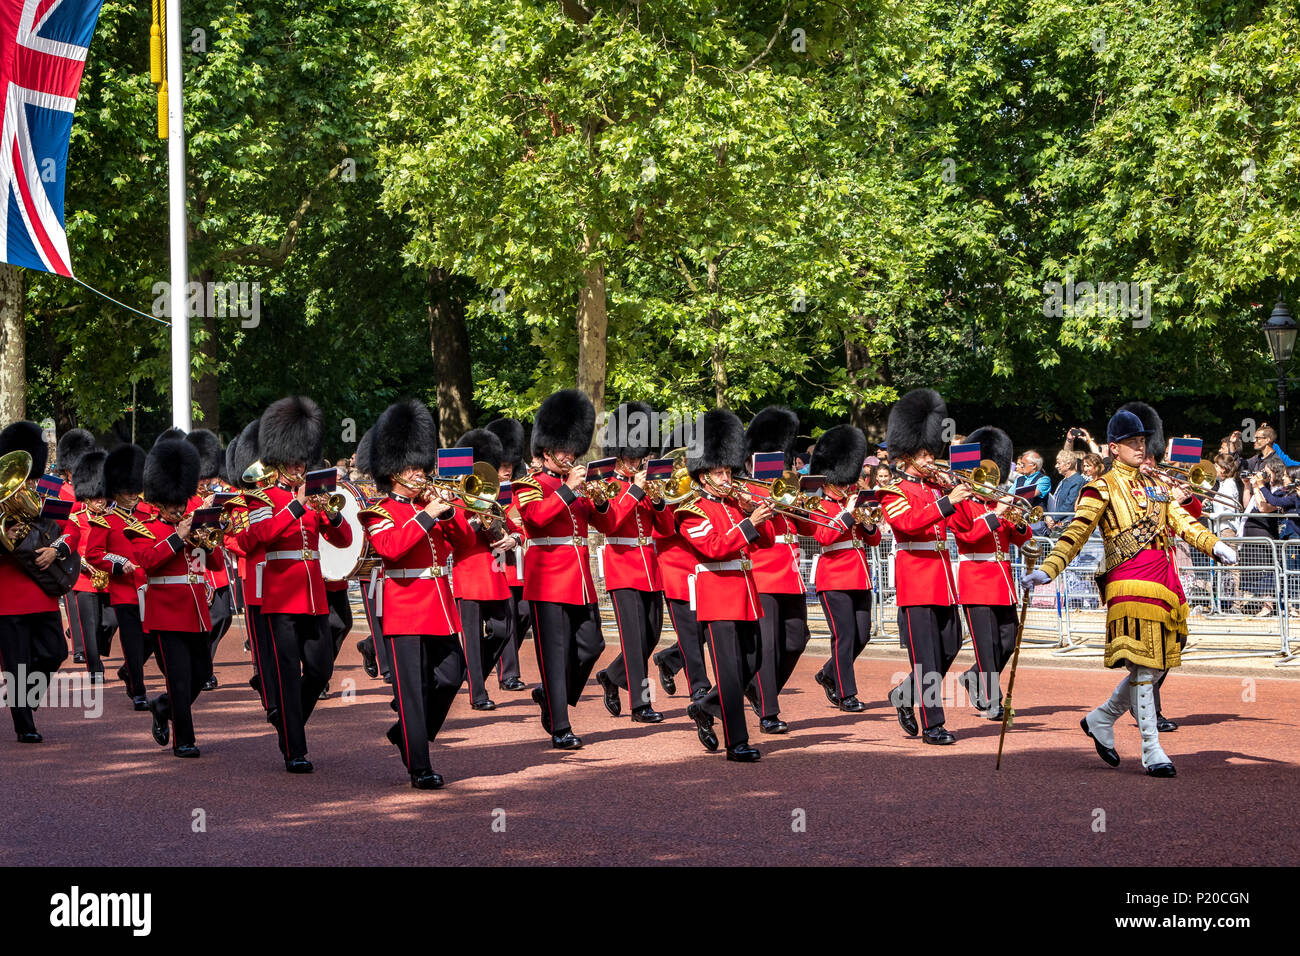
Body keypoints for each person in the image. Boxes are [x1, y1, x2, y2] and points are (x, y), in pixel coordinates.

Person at [1023, 406, 1237, 777]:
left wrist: (1213, 544)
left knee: (1157, 664)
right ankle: (1151, 748)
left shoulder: (1156, 485)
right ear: (1113, 448)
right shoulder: (1101, 486)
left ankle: (1101, 718)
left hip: (1164, 581)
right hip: (1127, 579)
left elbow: (1182, 521)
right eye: (1131, 442)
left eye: (1141, 441)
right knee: (1144, 661)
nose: (1139, 447)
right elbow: (1076, 532)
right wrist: (1048, 567)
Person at [357, 399, 467, 789]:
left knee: (454, 673)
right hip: (405, 604)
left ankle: (407, 733)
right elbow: (392, 548)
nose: (419, 473)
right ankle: (419, 764)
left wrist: (450, 514)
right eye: (411, 468)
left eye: (421, 465)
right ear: (393, 472)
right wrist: (428, 515)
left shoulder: (431, 506)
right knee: (413, 690)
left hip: (439, 603)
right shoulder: (379, 511)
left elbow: (462, 542)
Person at [243, 396, 353, 773]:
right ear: (278, 461)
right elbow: (257, 538)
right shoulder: (262, 496)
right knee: (288, 674)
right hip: (281, 595)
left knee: (320, 670)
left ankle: (288, 724)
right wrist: (296, 506)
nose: (298, 466)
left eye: (302, 460)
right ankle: (295, 748)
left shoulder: (314, 497)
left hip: (314, 597)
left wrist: (332, 514)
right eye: (292, 461)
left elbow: (344, 541)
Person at [514, 389, 617, 749]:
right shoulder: (527, 485)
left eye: (573, 450)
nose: (570, 456)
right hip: (547, 579)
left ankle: (552, 696)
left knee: (592, 645)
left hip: (581, 581)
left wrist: (601, 501)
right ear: (544, 451)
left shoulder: (579, 484)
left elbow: (607, 526)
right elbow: (537, 520)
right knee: (554, 654)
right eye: (563, 450)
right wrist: (569, 490)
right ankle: (560, 725)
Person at [678, 409, 774, 762]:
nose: (727, 477)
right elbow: (714, 547)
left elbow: (766, 544)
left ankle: (705, 706)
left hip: (746, 594)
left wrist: (760, 514)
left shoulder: (737, 504)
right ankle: (737, 742)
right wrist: (749, 522)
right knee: (730, 672)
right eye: (720, 471)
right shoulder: (692, 510)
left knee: (752, 663)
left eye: (729, 470)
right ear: (703, 475)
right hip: (717, 595)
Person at [877, 388, 970, 746]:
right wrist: (947, 500)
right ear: (906, 457)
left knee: (951, 645)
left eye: (932, 452)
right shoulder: (894, 491)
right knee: (927, 658)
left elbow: (961, 526)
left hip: (944, 579)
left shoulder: (938, 488)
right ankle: (933, 725)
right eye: (923, 453)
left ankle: (903, 693)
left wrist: (958, 495)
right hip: (916, 580)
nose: (930, 459)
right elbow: (908, 524)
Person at [133, 439, 225, 758]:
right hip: (166, 614)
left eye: (181, 502)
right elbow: (146, 561)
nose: (178, 508)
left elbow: (212, 565)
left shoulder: (193, 527)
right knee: (180, 678)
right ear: (159, 502)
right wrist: (178, 537)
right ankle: (184, 740)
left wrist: (209, 541)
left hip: (197, 611)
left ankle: (162, 706)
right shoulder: (144, 528)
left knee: (201, 673)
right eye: (172, 504)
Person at [595, 402, 674, 724]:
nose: (634, 462)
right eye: (629, 457)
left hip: (650, 568)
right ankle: (641, 705)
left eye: (637, 457)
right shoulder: (604, 484)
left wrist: (657, 499)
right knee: (633, 638)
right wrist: (635, 490)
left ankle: (612, 676)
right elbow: (610, 523)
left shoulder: (647, 482)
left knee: (652, 635)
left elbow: (667, 529)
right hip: (623, 566)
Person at [0, 421, 78, 744]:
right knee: (16, 663)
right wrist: (6, 536)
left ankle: (25, 700)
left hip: (43, 588)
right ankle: (24, 724)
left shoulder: (49, 488)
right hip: (8, 592)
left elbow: (73, 526)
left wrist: (56, 549)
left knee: (55, 651)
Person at [951, 426, 1034, 720]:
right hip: (975, 577)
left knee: (1008, 641)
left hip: (1002, 579)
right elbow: (968, 536)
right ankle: (992, 699)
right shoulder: (961, 504)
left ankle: (973, 678)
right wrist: (995, 514)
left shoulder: (993, 503)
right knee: (987, 646)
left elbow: (1020, 538)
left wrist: (1020, 520)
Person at [739, 406, 812, 733]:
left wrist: (797, 508)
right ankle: (768, 711)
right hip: (763, 571)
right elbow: (747, 532)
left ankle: (760, 689)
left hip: (791, 573)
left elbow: (810, 532)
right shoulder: (745, 489)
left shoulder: (788, 484)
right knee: (766, 645)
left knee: (796, 640)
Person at [808, 424, 881, 713]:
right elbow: (824, 536)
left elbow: (873, 540)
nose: (844, 485)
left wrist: (867, 520)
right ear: (827, 480)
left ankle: (828, 672)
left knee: (862, 635)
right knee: (845, 636)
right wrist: (849, 513)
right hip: (834, 576)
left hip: (860, 576)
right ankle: (846, 693)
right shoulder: (817, 504)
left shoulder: (853, 500)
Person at [446, 426, 516, 712]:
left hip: (495, 572)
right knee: (472, 638)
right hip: (468, 572)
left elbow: (508, 527)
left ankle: (472, 675)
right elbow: (453, 539)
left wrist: (514, 537)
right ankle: (478, 691)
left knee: (502, 630)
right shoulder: (453, 500)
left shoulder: (489, 497)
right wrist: (474, 519)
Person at [86, 443, 153, 711]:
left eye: (135, 490)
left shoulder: (149, 515)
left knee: (151, 639)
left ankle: (128, 670)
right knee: (133, 642)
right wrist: (117, 563)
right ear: (116, 491)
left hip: (150, 588)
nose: (133, 496)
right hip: (125, 591)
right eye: (128, 491)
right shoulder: (105, 520)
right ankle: (139, 690)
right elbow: (93, 554)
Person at [485, 417, 530, 693]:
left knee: (523, 614)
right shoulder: (485, 492)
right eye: (501, 466)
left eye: (509, 466)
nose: (506, 470)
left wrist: (515, 538)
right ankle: (508, 674)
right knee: (508, 618)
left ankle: (488, 660)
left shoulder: (519, 490)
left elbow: (527, 525)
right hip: (495, 564)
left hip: (518, 563)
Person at [1053, 449, 1086, 516]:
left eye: (1059, 463)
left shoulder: (1078, 481)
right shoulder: (1065, 480)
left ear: (1068, 464)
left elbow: (1069, 505)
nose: (1056, 466)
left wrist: (1054, 518)